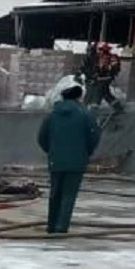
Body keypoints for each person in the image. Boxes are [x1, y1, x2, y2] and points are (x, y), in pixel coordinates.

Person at [36, 77, 101, 235]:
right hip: (77, 162)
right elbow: (95, 136)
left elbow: (41, 137)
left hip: (55, 161)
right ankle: (61, 227)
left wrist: (51, 151)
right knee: (69, 195)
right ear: (79, 97)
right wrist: (87, 152)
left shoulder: (52, 115)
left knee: (55, 193)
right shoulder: (85, 115)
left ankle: (51, 225)